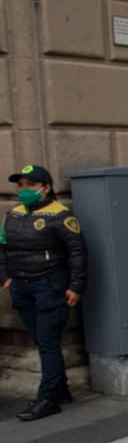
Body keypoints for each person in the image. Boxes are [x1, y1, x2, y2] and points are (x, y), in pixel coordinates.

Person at [1, 164, 86, 421]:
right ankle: (60, 390)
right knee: (42, 341)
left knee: (48, 342)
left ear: (46, 187)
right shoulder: (13, 214)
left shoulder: (60, 215)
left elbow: (77, 254)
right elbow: (3, 247)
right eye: (21, 185)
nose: (24, 190)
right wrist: (5, 277)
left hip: (49, 286)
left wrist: (75, 286)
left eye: (30, 185)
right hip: (22, 287)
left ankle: (47, 398)